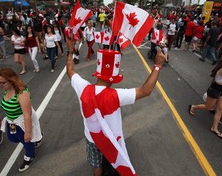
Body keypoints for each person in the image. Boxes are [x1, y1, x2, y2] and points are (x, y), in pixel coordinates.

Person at [66, 37, 166, 176]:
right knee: (111, 161)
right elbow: (146, 91)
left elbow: (70, 71)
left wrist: (70, 51)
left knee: (96, 165)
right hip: (110, 141)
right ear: (113, 78)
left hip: (91, 138)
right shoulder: (115, 96)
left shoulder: (83, 88)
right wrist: (157, 66)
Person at [0, 68, 43, 172]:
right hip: (12, 121)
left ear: (11, 80)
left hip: (22, 121)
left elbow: (27, 115)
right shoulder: (7, 89)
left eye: (2, 82)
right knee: (12, 138)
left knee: (27, 140)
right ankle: (38, 136)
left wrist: (28, 132)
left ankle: (29, 157)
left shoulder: (22, 94)